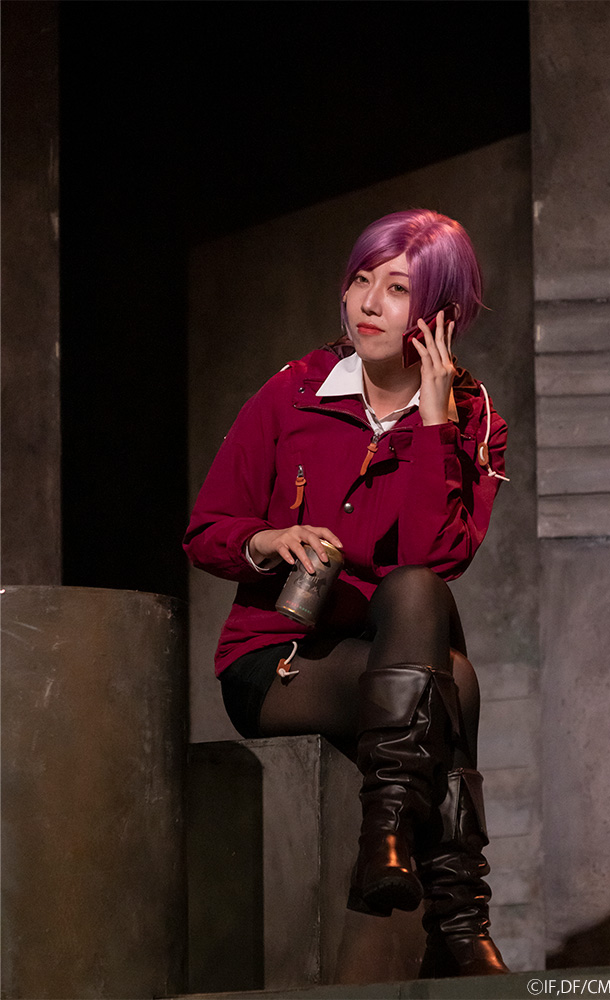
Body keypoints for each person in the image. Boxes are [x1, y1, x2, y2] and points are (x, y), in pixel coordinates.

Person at [183, 209, 510, 978]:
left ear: (440, 312)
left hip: (386, 654)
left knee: (421, 599)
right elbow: (204, 532)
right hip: (278, 661)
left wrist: (432, 419)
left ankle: (388, 839)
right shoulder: (292, 392)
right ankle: (456, 921)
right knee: (453, 685)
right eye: (360, 280)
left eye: (395, 288)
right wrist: (266, 540)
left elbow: (436, 556)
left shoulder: (473, 419)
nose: (366, 302)